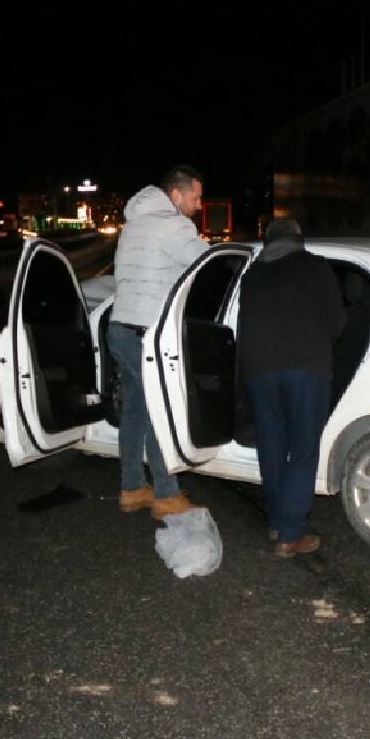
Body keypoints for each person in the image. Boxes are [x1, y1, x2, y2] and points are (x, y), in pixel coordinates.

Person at [237, 218, 345, 557]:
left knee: (271, 445)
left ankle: (278, 520)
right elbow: (337, 321)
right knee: (302, 448)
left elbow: (243, 323)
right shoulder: (316, 267)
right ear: (299, 239)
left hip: (259, 370)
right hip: (304, 368)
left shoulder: (252, 274)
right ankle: (290, 534)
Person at [109, 165, 209, 519]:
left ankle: (133, 488)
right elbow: (206, 265)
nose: (199, 204)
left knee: (135, 412)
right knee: (159, 412)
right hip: (146, 334)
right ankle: (165, 493)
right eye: (195, 197)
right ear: (176, 195)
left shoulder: (134, 223)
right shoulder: (175, 225)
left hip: (120, 328)